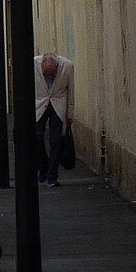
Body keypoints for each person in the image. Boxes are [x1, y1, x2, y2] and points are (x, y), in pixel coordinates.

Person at [34, 51, 75, 187]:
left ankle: (52, 175)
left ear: (57, 66)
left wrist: (70, 113)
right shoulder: (34, 64)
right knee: (37, 137)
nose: (50, 77)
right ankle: (43, 166)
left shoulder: (67, 66)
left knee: (56, 141)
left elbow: (71, 90)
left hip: (58, 104)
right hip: (40, 104)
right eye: (47, 74)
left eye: (52, 74)